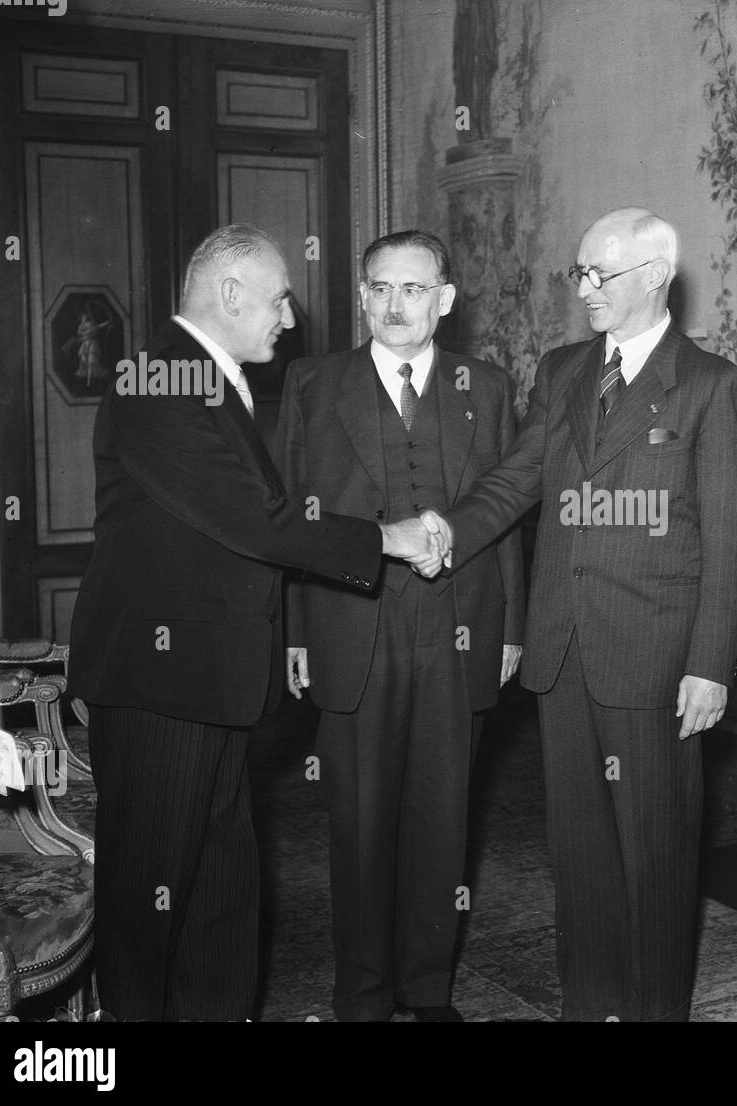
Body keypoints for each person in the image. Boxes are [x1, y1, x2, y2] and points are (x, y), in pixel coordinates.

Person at [68, 224, 443, 1021]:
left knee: (218, 900)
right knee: (150, 908)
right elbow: (258, 521)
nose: (288, 317)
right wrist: (388, 537)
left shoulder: (210, 379)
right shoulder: (159, 378)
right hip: (159, 689)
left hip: (212, 684)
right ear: (229, 293)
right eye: (277, 299)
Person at [421, 208, 737, 1021]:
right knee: (580, 857)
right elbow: (517, 478)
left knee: (656, 857)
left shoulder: (711, 385)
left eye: (598, 274)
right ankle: (591, 1007)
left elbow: (730, 544)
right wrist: (444, 530)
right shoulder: (565, 368)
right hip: (563, 651)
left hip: (655, 658)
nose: (584, 289)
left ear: (652, 275)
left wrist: (711, 663)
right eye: (579, 273)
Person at [274, 230, 524, 1022]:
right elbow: (288, 515)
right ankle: (363, 996)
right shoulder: (314, 384)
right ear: (361, 295)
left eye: (412, 289)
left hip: (460, 631)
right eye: (379, 288)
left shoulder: (487, 385)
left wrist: (511, 625)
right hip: (351, 630)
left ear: (445, 299)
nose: (393, 305)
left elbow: (510, 513)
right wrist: (293, 633)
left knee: (442, 818)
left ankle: (427, 989)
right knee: (359, 824)